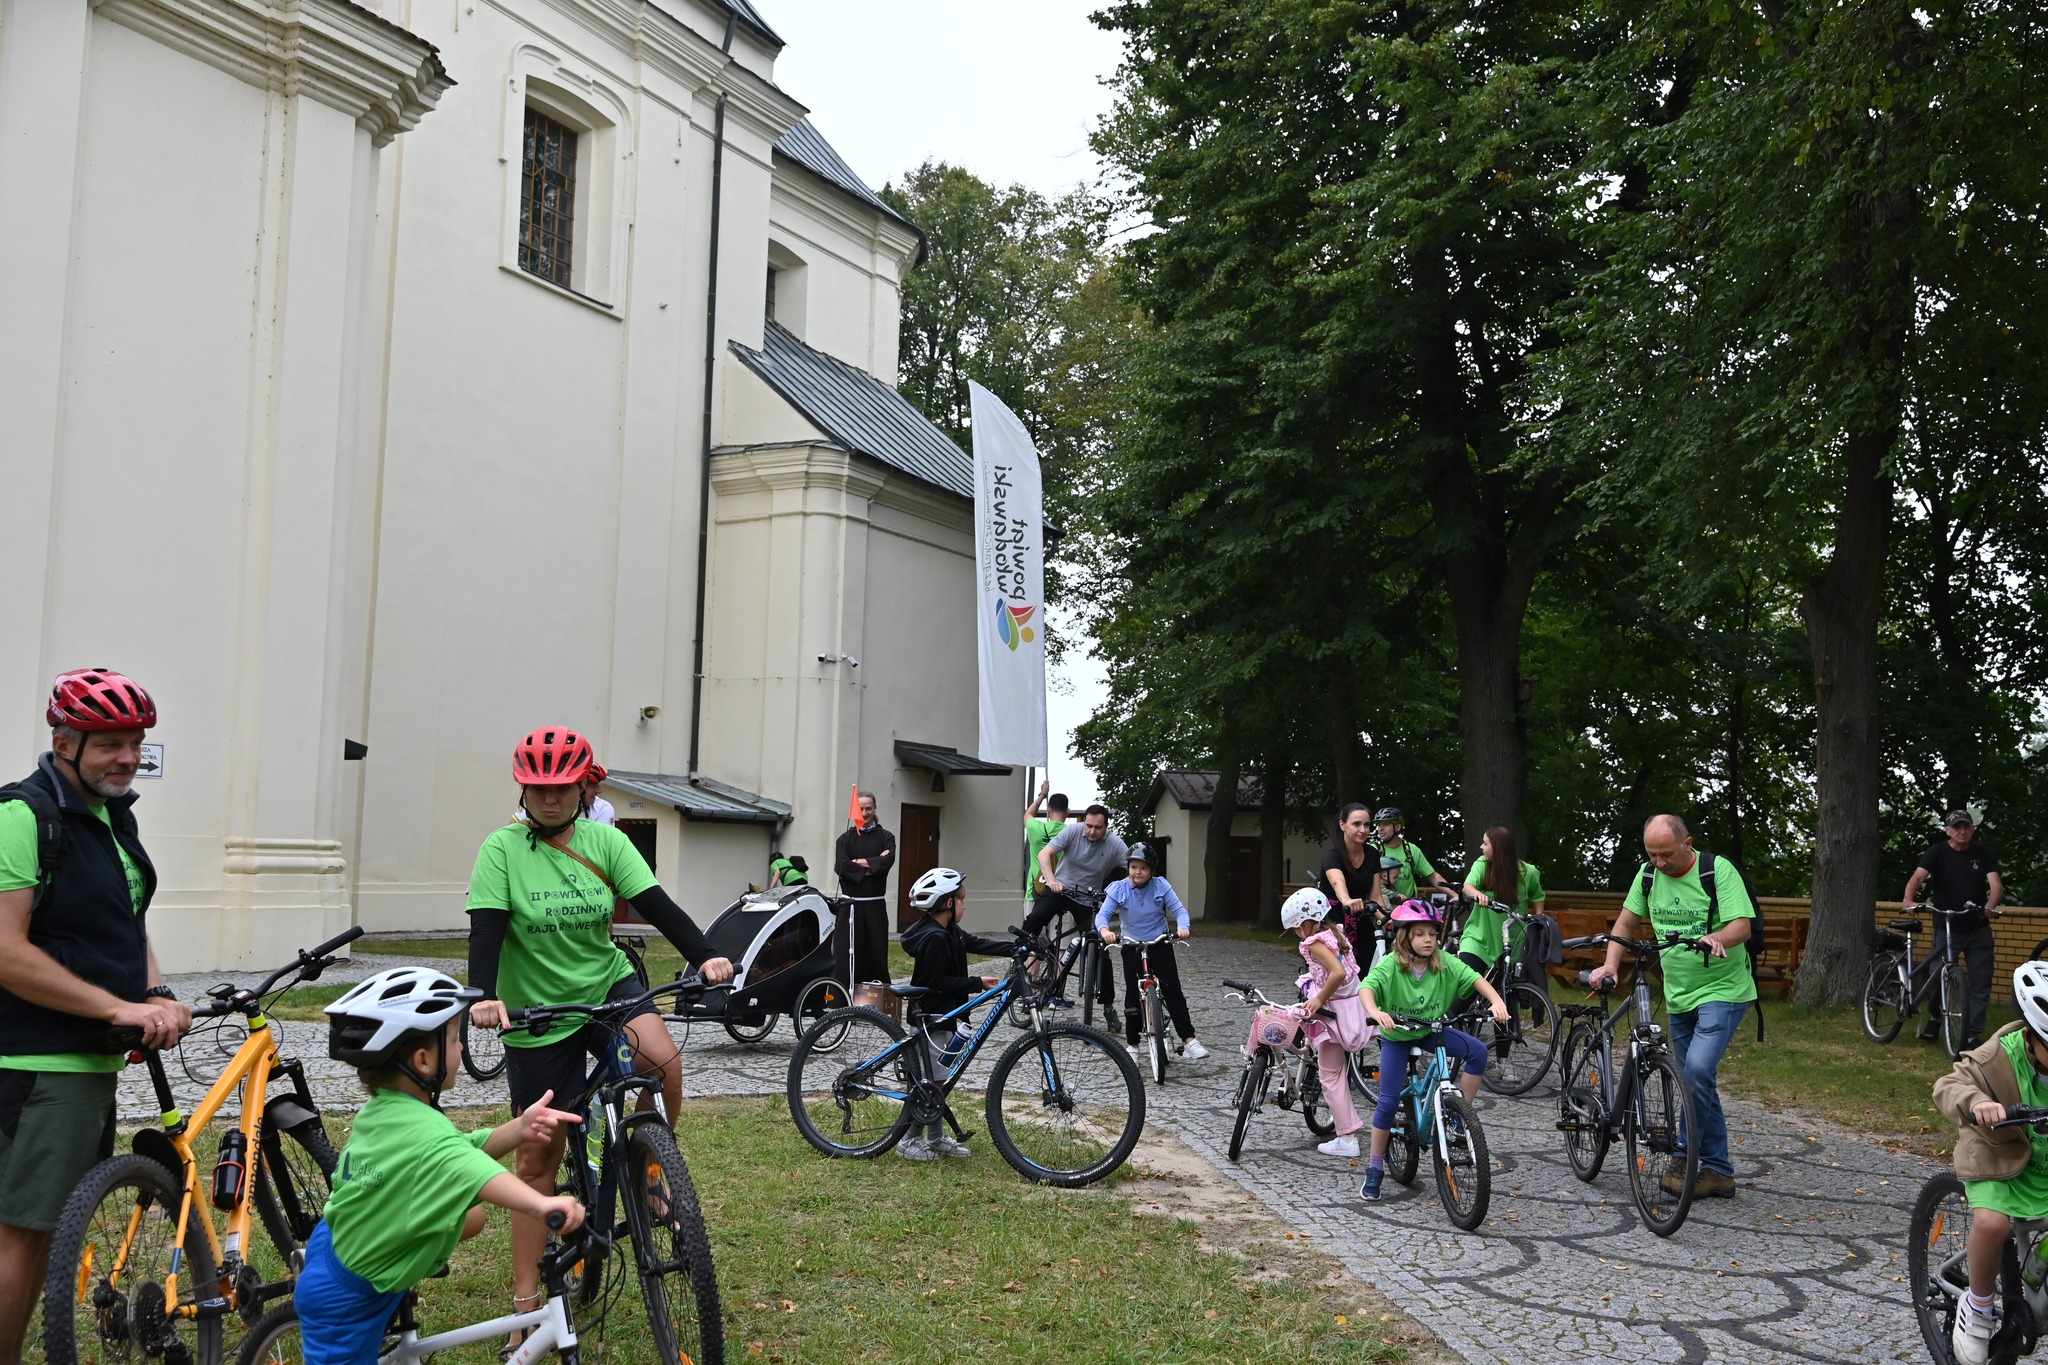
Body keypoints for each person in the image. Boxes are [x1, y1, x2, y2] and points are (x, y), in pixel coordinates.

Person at [464, 726, 734, 1327]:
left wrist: (705, 955)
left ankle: (653, 1171)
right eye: (538, 787)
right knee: (536, 1160)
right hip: (537, 1010)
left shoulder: (604, 841)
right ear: (523, 788)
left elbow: (658, 905)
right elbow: (486, 930)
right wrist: (483, 996)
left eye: (562, 787)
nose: (550, 798)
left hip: (606, 986)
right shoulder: (501, 850)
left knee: (662, 1060)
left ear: (582, 788)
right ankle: (525, 1304)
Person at [0, 669, 193, 1363]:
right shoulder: (23, 817)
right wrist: (116, 1004)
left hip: (84, 1060)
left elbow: (125, 921)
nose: (127, 757)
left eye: (135, 743)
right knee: (24, 1234)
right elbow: (6, 950)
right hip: (38, 1063)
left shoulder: (113, 817)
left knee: (39, 1230)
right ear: (64, 742)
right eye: (110, 743)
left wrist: (156, 991)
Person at [303, 967, 585, 1365]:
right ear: (423, 1060)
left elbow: (459, 1151)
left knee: (471, 1215)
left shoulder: (388, 1109)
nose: (462, 1047)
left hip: (345, 1246)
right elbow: (473, 1170)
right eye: (454, 1040)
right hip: (347, 1299)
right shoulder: (424, 1131)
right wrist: (541, 1205)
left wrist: (520, 1128)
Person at [1588, 813, 1754, 1200]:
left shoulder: (1717, 870)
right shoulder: (1648, 875)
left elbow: (1742, 925)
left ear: (1687, 843)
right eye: (1652, 854)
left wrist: (1717, 936)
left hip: (1723, 989)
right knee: (1696, 1079)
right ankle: (1718, 1170)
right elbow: (1625, 924)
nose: (1659, 863)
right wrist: (1611, 964)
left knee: (1696, 1071)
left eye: (1666, 854)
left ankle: (1684, 1158)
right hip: (1679, 993)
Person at [1933, 961, 2048, 1364]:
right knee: (1993, 1224)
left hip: (2044, 1163)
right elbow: (1948, 1086)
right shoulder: (1995, 1057)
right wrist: (1978, 1102)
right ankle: (1978, 1306)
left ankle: (2033, 1278)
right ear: (2031, 1036)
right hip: (1997, 1153)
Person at [1358, 900, 1506, 1201]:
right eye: (1420, 934)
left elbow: (1475, 978)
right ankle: (1374, 1168)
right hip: (1397, 1035)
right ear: (1405, 937)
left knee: (1478, 1052)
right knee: (1387, 1102)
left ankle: (1459, 1115)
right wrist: (1376, 1011)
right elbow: (1367, 988)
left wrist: (1497, 1001)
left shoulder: (1444, 961)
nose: (1428, 940)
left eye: (1432, 934)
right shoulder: (1391, 964)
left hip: (1430, 1031)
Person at [897, 867, 1012, 1160]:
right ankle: (908, 1141)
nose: (965, 905)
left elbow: (977, 943)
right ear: (949, 903)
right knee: (930, 1083)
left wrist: (1017, 948)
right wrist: (976, 982)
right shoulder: (934, 938)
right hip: (931, 1018)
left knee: (938, 1082)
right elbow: (936, 982)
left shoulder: (949, 931)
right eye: (962, 900)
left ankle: (935, 1137)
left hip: (945, 1017)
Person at [1095, 842, 1209, 1061]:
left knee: (1172, 990)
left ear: (1151, 871)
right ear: (1128, 867)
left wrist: (1183, 927)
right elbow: (1103, 915)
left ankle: (1189, 1040)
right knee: (1132, 996)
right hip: (1132, 946)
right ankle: (1133, 1046)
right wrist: (1105, 930)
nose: (1137, 872)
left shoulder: (1160, 886)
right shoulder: (1119, 889)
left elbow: (1179, 910)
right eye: (1133, 867)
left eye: (1143, 868)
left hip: (1159, 943)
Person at [1281, 887, 1372, 1158]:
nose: (1297, 934)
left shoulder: (1314, 943)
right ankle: (1346, 1132)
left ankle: (1347, 1138)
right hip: (1352, 1004)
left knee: (1330, 1075)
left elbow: (1337, 972)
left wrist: (1319, 999)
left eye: (1296, 928)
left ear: (1305, 924)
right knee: (1335, 1071)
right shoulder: (1335, 933)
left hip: (1336, 1012)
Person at [1903, 811, 2005, 1049]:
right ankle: (1936, 1018)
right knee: (1939, 977)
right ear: (1947, 830)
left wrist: (1989, 907)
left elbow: (1996, 886)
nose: (1962, 831)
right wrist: (1908, 899)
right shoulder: (1936, 852)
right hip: (1946, 925)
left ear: (1972, 829)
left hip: (1977, 928)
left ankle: (1972, 1034)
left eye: (1966, 827)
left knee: (1981, 982)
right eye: (1956, 827)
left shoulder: (1982, 854)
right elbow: (1918, 877)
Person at [1023, 805, 1131, 1014]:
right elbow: (1045, 854)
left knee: (1100, 947)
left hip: (1089, 899)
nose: (1092, 831)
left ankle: (1108, 1007)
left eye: (1098, 827)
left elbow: (1133, 870)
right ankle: (1019, 957)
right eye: (1088, 826)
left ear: (1106, 827)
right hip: (1061, 889)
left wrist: (1120, 897)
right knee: (1036, 917)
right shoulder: (1073, 831)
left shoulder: (1115, 843)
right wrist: (1052, 881)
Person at [1457, 825, 1546, 981]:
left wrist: (1538, 919)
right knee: (1466, 985)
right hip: (1479, 939)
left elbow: (1538, 897)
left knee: (1506, 990)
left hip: (1512, 941)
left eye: (1485, 843)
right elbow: (1467, 886)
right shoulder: (1482, 864)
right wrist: (1477, 894)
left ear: (1498, 848)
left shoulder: (1528, 872)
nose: (1481, 847)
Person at [834, 791, 897, 982]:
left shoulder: (886, 837)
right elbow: (841, 867)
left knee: (875, 952)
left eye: (868, 808)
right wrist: (872, 865)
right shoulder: (844, 839)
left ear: (875, 808)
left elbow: (887, 861)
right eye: (861, 808)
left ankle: (875, 995)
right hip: (850, 907)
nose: (864, 813)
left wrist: (856, 862)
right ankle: (844, 995)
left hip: (874, 907)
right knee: (846, 955)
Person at [1319, 803, 1385, 954]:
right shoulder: (1332, 855)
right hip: (1332, 920)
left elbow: (1375, 896)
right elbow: (1337, 882)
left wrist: (1387, 919)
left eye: (1367, 825)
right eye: (1356, 824)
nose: (1363, 830)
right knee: (1339, 965)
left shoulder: (1373, 854)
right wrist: (1347, 900)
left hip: (1361, 918)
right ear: (1342, 825)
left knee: (1372, 959)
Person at [1373, 807, 1449, 902]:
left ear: (1397, 827)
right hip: (1383, 907)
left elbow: (1432, 876)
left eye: (1386, 824)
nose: (1380, 829)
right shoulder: (1373, 849)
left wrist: (1454, 895)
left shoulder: (1411, 850)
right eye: (1379, 825)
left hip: (1409, 906)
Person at [1023, 780, 1070, 905]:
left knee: (1033, 918)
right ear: (1067, 811)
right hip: (1063, 891)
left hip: (1036, 889)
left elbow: (1028, 814)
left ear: (1049, 809)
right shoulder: (1071, 832)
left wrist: (1043, 794)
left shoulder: (1035, 827)